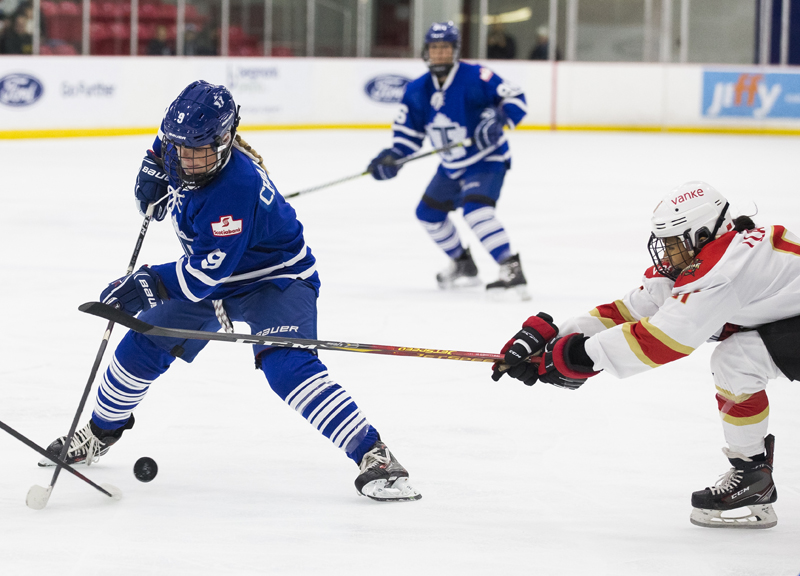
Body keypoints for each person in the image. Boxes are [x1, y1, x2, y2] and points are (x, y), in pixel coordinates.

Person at [40, 80, 421, 503]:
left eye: (197, 150)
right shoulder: (183, 144)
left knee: (287, 366)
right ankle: (98, 433)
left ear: (224, 140)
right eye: (177, 147)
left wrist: (149, 284)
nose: (185, 160)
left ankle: (375, 455)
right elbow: (167, 147)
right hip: (214, 270)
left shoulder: (233, 187)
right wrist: (152, 165)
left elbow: (204, 277)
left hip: (275, 279)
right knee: (140, 345)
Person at [492, 181, 800, 529]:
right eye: (664, 244)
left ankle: (752, 475)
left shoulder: (725, 268)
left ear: (702, 234)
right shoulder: (711, 253)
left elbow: (665, 338)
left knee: (737, 361)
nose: (666, 255)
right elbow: (630, 311)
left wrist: (579, 355)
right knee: (736, 361)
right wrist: (553, 338)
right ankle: (753, 477)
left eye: (673, 244)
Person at [367, 21, 530, 299]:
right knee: (428, 214)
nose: (439, 53)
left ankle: (511, 267)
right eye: (434, 47)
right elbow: (409, 133)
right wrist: (393, 156)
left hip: (486, 158)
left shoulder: (478, 76)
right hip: (451, 165)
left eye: (445, 47)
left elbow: (516, 98)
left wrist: (499, 118)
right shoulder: (418, 89)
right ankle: (464, 264)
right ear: (426, 50)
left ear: (455, 50)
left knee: (476, 211)